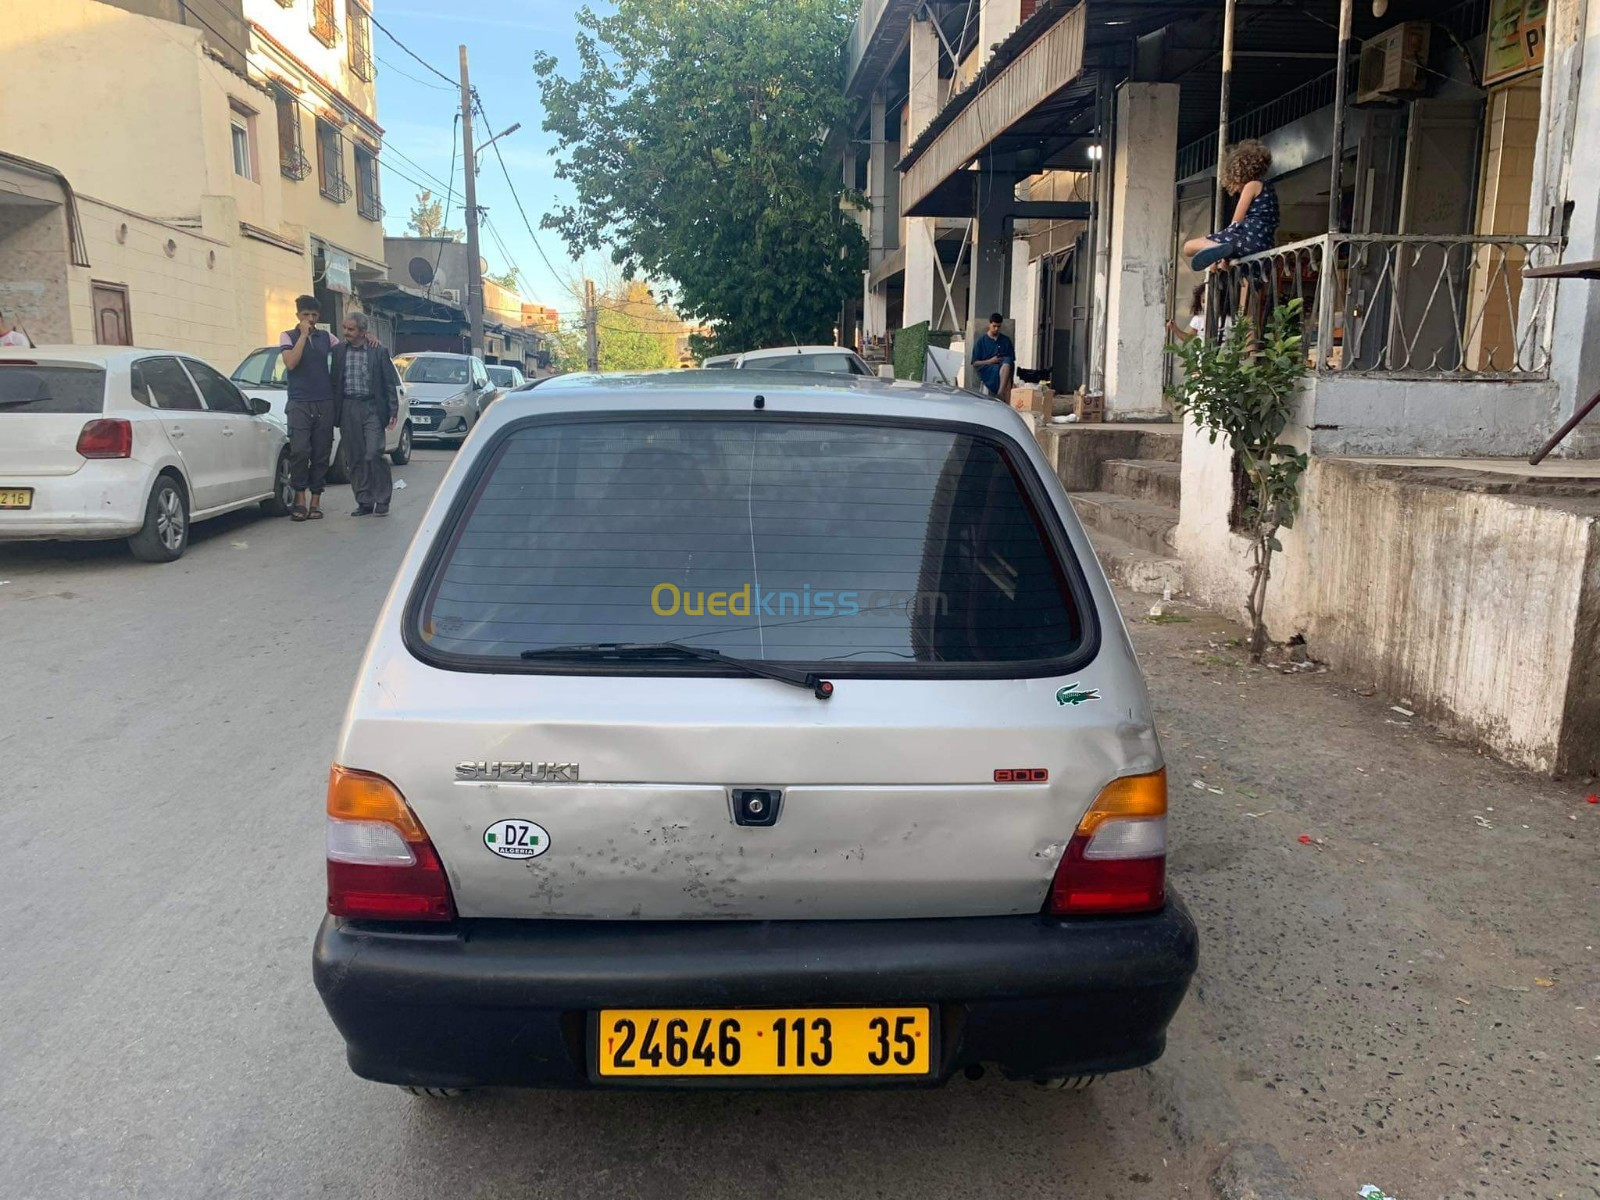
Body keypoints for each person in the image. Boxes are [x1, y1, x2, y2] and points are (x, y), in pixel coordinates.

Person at [331, 311, 399, 517]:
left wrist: (393, 410)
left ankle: (382, 499)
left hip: (372, 408)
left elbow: (389, 383)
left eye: (351, 329)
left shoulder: (378, 351)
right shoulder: (339, 351)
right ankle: (364, 501)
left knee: (374, 453)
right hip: (348, 407)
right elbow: (334, 381)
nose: (346, 333)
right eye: (344, 328)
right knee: (355, 457)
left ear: (363, 331)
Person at [278, 295, 337, 521]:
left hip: (323, 401)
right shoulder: (289, 336)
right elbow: (291, 362)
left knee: (321, 452)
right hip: (299, 402)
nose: (310, 319)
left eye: (314, 315)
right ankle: (299, 497)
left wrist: (367, 336)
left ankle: (316, 500)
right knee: (300, 450)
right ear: (298, 316)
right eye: (306, 315)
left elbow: (345, 350)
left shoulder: (326, 337)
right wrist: (303, 335)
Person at [1182, 140, 1279, 272]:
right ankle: (1220, 254)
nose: (1236, 191)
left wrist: (1221, 243)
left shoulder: (1251, 186)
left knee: (1188, 246)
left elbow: (1235, 222)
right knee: (1245, 277)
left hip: (1248, 240)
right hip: (1264, 243)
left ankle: (1213, 248)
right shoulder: (1269, 188)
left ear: (1238, 173)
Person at [971, 313, 1015, 401]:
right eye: (994, 326)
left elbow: (1011, 358)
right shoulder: (981, 341)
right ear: (989, 324)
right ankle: (1000, 395)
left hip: (1004, 367)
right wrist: (990, 361)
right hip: (988, 368)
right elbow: (974, 362)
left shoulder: (1005, 340)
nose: (996, 329)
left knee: (1007, 363)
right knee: (997, 370)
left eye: (998, 326)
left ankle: (1000, 392)